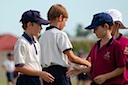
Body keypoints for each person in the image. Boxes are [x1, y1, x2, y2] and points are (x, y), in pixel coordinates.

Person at [67, 12, 126, 85]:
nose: (93, 32)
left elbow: (122, 68)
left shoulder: (116, 46)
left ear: (106, 26)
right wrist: (82, 70)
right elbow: (95, 67)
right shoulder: (96, 45)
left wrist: (105, 77)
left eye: (96, 28)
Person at [39, 4, 91, 85]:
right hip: (60, 75)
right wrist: (87, 63)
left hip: (46, 74)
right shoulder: (60, 34)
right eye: (65, 21)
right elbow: (72, 58)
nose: (65, 24)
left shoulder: (42, 37)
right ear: (60, 18)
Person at [14, 10, 55, 85]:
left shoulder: (36, 42)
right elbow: (19, 67)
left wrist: (40, 75)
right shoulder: (21, 43)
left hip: (36, 79)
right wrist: (40, 73)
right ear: (29, 24)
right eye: (39, 25)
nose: (41, 28)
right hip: (26, 80)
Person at [104, 9, 128, 84]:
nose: (107, 26)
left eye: (110, 23)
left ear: (117, 24)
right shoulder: (100, 44)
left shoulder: (126, 43)